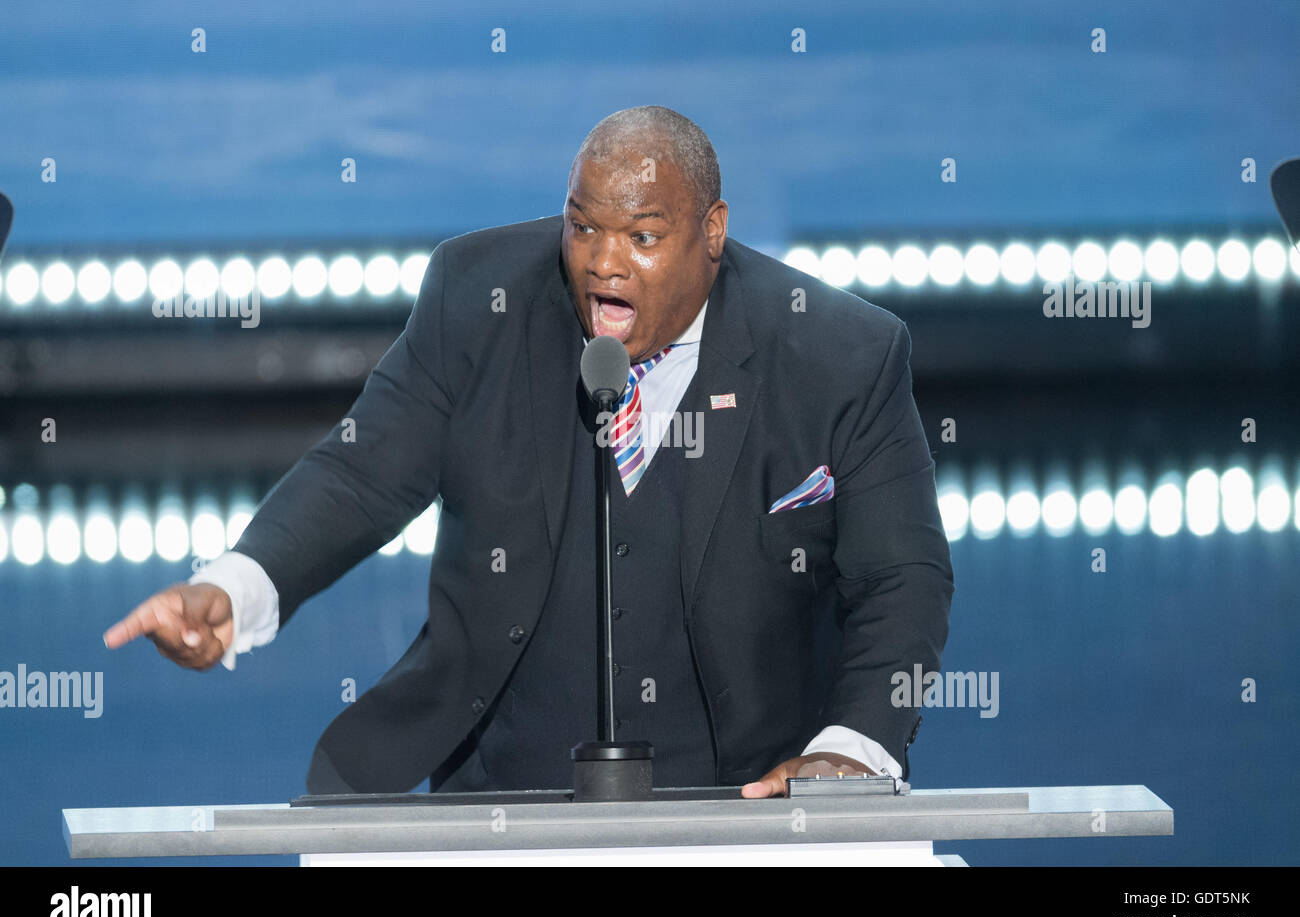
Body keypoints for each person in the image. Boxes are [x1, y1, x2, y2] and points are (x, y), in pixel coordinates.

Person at [104, 106, 953, 798]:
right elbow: (363, 472)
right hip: (497, 796)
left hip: (745, 800)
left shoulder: (839, 353)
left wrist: (853, 748)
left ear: (714, 231)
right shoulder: (480, 300)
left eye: (644, 238)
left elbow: (901, 578)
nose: (603, 265)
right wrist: (235, 584)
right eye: (583, 228)